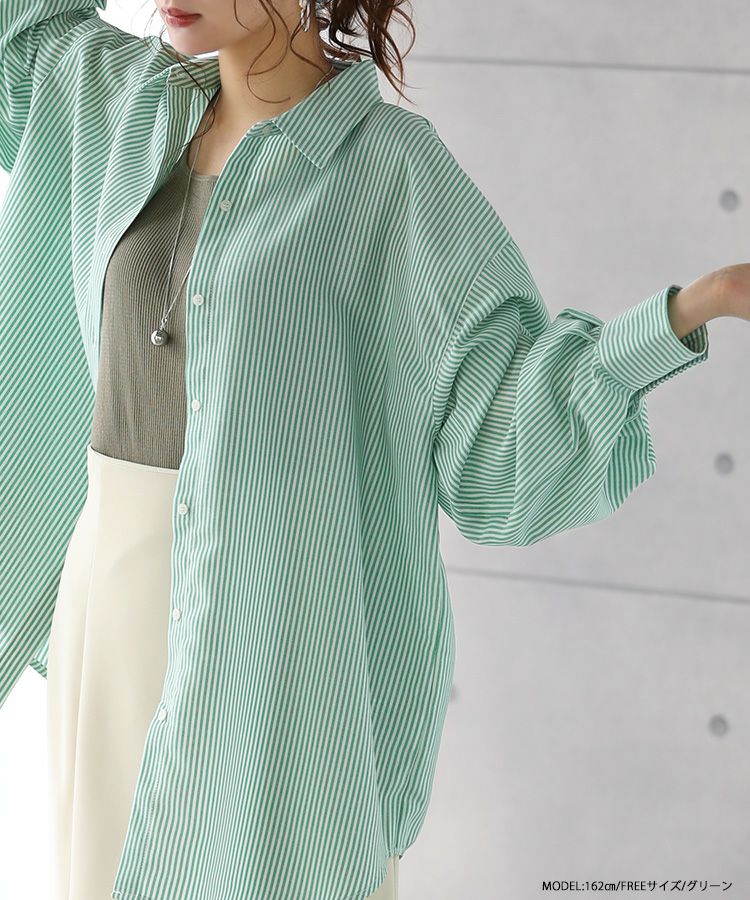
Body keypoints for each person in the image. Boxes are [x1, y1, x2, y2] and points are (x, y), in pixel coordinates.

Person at [0, 1, 748, 899]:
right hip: (110, 609)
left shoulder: (392, 173)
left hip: (283, 636)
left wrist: (685, 312)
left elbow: (500, 437)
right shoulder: (109, 99)